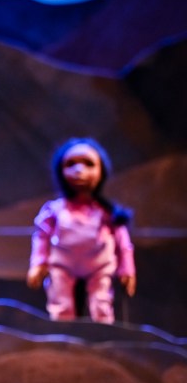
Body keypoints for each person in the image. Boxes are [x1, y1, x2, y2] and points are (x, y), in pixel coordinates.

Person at [26, 137, 135, 323]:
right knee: (61, 305)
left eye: (88, 164)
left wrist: (127, 269)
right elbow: (42, 236)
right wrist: (38, 263)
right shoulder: (55, 210)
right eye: (71, 164)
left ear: (101, 170)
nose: (79, 170)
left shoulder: (107, 212)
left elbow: (123, 243)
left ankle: (103, 335)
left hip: (98, 265)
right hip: (63, 264)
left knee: (101, 304)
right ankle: (63, 337)